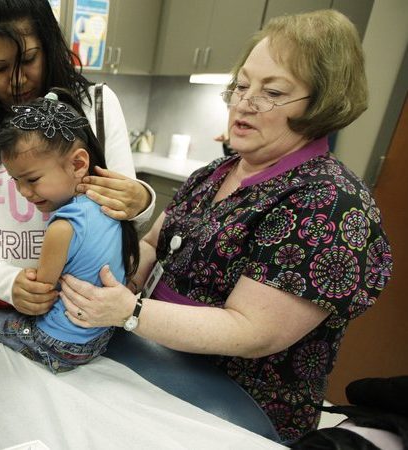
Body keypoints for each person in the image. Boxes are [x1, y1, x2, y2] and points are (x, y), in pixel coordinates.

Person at [58, 9, 392, 443]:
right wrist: (112, 278)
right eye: (242, 84)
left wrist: (130, 312)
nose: (245, 101)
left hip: (235, 409)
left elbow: (253, 331)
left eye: (272, 92)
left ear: (321, 104)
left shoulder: (331, 203)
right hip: (154, 368)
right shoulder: (216, 172)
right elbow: (156, 244)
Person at [0, 0, 154, 318]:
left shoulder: (95, 106)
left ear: (48, 46)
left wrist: (141, 201)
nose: (18, 79)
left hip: (82, 307)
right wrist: (6, 282)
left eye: (30, 59)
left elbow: (126, 221)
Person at [0, 89, 141, 373]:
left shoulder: (61, 227)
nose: (23, 191)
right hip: (101, 336)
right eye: (16, 180)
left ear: (78, 163)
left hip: (59, 345)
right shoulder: (107, 207)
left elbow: (40, 299)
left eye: (32, 179)